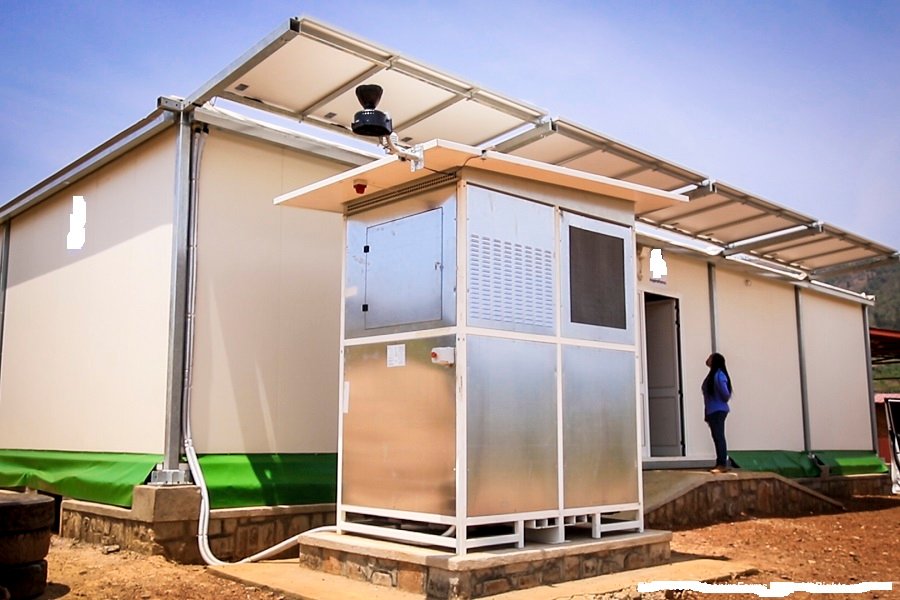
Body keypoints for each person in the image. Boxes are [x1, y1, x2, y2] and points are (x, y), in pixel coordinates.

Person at [702, 352, 732, 473]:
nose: (707, 359)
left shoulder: (718, 375)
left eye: (710, 358)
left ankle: (722, 463)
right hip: (712, 410)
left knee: (719, 436)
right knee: (716, 436)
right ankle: (720, 462)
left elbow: (726, 394)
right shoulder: (712, 375)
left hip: (718, 410)